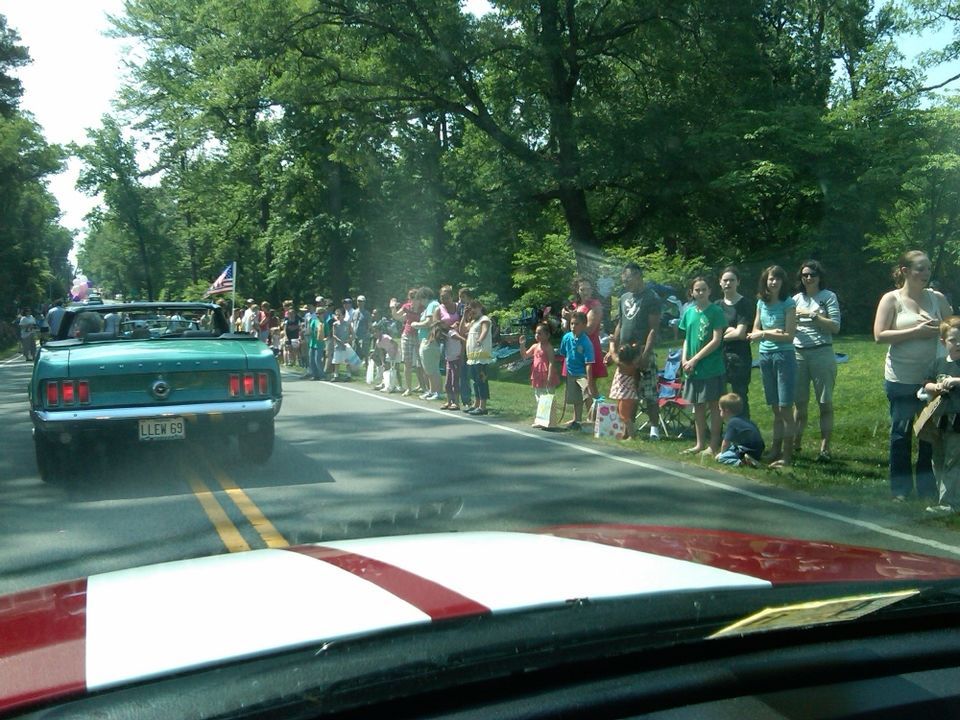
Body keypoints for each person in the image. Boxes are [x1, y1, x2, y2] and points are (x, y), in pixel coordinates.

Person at [874, 250, 952, 502]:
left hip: (933, 380)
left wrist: (943, 330)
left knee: (929, 434)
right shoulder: (891, 299)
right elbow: (879, 335)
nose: (925, 273)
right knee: (901, 433)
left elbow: (953, 328)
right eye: (920, 268)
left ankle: (927, 488)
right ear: (905, 271)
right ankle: (900, 490)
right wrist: (916, 331)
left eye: (928, 268)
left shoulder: (937, 298)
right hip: (901, 378)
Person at [747, 265, 797, 468]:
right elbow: (754, 330)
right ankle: (775, 451)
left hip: (784, 356)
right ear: (765, 282)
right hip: (765, 356)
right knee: (775, 408)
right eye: (770, 279)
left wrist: (766, 334)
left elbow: (789, 336)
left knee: (785, 408)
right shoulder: (761, 302)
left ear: (783, 282)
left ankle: (787, 455)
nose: (773, 282)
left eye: (777, 278)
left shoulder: (789, 303)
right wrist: (770, 332)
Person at [792, 260, 841, 462]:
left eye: (812, 274)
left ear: (819, 277)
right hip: (798, 353)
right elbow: (788, 326)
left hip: (822, 352)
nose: (808, 278)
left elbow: (835, 327)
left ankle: (824, 449)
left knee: (825, 402)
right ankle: (795, 445)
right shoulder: (795, 299)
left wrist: (813, 316)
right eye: (805, 275)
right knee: (799, 403)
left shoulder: (828, 297)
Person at [607, 263, 662, 440]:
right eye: (623, 280)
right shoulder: (624, 297)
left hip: (642, 350)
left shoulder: (651, 297)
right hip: (625, 353)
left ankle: (654, 429)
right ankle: (629, 429)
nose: (625, 283)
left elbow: (653, 328)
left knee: (649, 392)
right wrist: (613, 347)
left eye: (628, 279)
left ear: (638, 276)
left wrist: (646, 354)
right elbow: (620, 324)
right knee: (627, 392)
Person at [677, 276, 726, 456]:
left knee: (714, 406)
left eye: (704, 289)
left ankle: (713, 445)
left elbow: (716, 340)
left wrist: (695, 359)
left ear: (709, 291)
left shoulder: (716, 311)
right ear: (692, 292)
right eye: (697, 290)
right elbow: (686, 338)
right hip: (692, 369)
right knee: (697, 406)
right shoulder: (689, 312)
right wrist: (684, 359)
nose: (700, 293)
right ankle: (699, 444)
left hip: (711, 367)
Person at [918, 316, 960, 514]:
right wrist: (935, 387)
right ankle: (945, 497)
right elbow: (925, 383)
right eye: (953, 340)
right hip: (939, 421)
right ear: (943, 342)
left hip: (958, 423)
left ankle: (950, 503)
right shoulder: (938, 364)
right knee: (938, 459)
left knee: (954, 460)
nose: (958, 344)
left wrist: (956, 381)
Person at [716, 266, 754, 419]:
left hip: (740, 357)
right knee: (719, 396)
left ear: (738, 282)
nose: (728, 283)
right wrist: (729, 331)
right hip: (719, 355)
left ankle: (743, 428)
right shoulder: (716, 305)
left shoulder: (744, 303)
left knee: (740, 396)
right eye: (725, 280)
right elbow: (712, 333)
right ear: (720, 282)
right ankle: (721, 430)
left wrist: (720, 335)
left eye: (732, 280)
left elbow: (740, 333)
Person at [559, 310, 594, 431]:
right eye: (572, 323)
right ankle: (577, 421)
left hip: (582, 373)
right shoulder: (566, 338)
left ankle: (592, 420)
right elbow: (564, 353)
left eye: (577, 324)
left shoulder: (586, 342)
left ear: (584, 325)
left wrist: (589, 380)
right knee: (576, 398)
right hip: (571, 372)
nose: (573, 326)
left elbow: (589, 363)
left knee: (587, 394)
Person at [714, 393, 764, 467]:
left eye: (720, 410)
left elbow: (725, 443)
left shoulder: (732, 422)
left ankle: (743, 462)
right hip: (758, 449)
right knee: (733, 447)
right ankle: (751, 458)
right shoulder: (744, 420)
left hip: (747, 449)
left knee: (721, 458)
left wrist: (722, 453)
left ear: (726, 411)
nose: (720, 412)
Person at [464, 300, 494, 415]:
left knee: (481, 380)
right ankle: (476, 404)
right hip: (472, 357)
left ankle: (483, 406)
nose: (473, 310)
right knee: (475, 381)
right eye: (471, 308)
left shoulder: (484, 319)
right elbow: (462, 330)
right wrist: (464, 316)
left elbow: (485, 330)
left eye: (475, 307)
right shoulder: (473, 322)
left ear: (480, 307)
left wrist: (480, 340)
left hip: (481, 356)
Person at [413, 287, 442, 399]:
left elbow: (429, 322)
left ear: (424, 297)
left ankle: (437, 392)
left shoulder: (431, 305)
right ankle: (432, 390)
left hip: (429, 340)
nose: (420, 302)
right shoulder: (433, 305)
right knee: (428, 368)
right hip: (428, 340)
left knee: (432, 369)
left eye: (420, 299)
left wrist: (416, 325)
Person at [608, 342, 640, 440]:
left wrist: (611, 342)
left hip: (625, 395)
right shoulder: (633, 364)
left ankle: (632, 436)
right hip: (628, 394)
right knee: (622, 413)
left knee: (624, 416)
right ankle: (625, 434)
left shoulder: (621, 365)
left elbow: (613, 353)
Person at [518, 322, 559, 399]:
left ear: (547, 335)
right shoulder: (535, 346)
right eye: (536, 333)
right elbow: (524, 355)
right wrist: (522, 345)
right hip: (537, 376)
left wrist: (549, 377)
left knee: (548, 397)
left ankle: (549, 407)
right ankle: (540, 406)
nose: (537, 335)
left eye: (539, 333)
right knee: (538, 395)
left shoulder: (549, 348)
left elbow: (551, 363)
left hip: (546, 375)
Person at [352, 295, 371, 360]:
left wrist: (366, 334)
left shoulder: (367, 313)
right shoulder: (354, 312)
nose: (360, 303)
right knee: (354, 352)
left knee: (363, 353)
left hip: (363, 336)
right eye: (358, 301)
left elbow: (369, 325)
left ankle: (366, 364)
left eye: (361, 301)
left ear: (364, 302)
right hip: (355, 336)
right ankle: (355, 366)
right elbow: (352, 323)